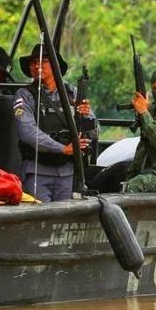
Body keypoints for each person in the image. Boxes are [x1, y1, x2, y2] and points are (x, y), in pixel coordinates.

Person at [13, 44, 92, 202]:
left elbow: (94, 131)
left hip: (68, 173)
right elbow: (28, 132)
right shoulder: (25, 95)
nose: (37, 66)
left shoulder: (72, 94)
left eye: (44, 61)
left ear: (56, 65)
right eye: (34, 62)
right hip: (37, 172)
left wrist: (87, 116)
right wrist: (63, 149)